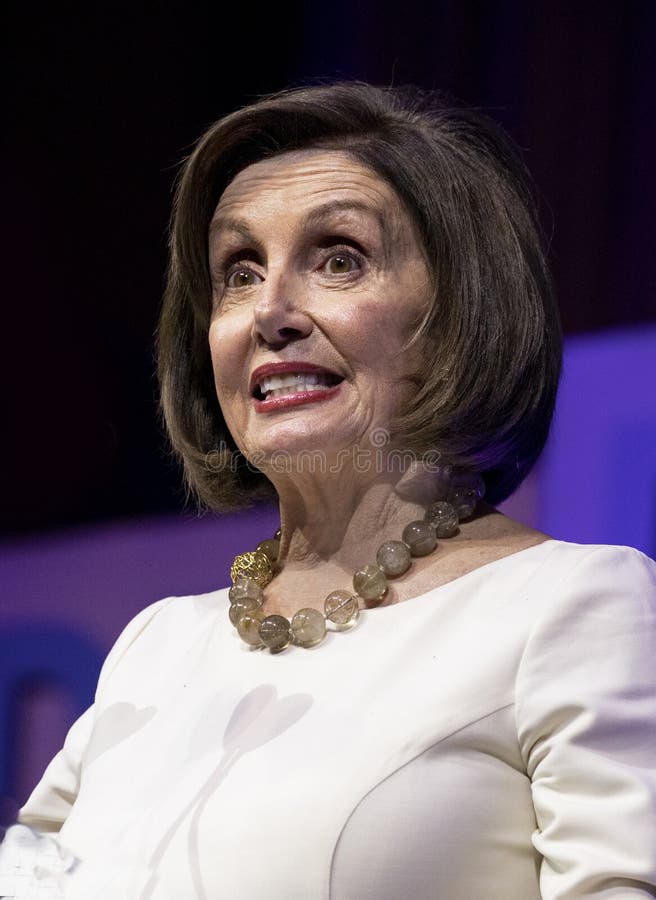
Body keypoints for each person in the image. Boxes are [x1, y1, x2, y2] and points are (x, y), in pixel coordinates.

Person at [3, 82, 655, 899]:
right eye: (238, 272)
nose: (269, 311)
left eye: (339, 259)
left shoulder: (573, 607)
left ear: (461, 316)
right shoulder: (157, 646)